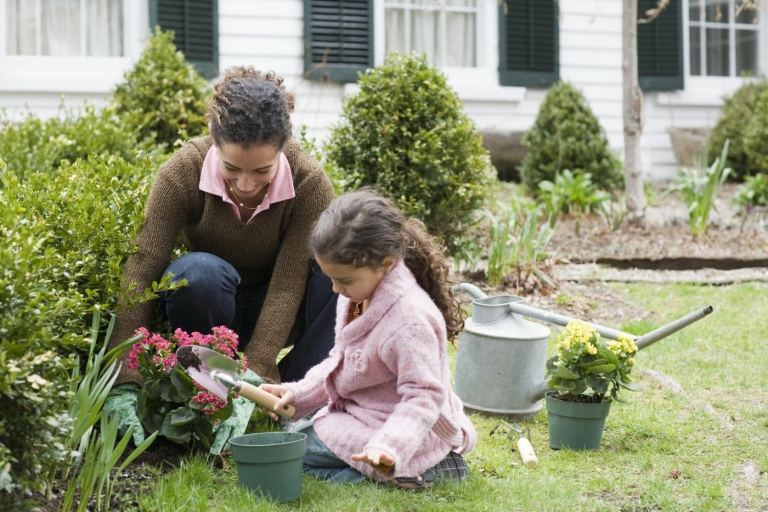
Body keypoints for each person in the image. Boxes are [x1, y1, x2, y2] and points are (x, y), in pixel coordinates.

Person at [106, 67, 337, 447]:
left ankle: (292, 393)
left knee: (338, 282)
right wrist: (124, 373)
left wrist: (258, 370)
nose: (245, 185)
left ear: (283, 147)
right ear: (214, 142)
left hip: (276, 305)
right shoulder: (181, 171)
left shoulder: (309, 182)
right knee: (196, 273)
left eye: (262, 171)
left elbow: (287, 283)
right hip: (209, 305)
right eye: (232, 168)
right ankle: (206, 380)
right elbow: (143, 265)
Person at [261, 190, 477, 489]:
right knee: (295, 442)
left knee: (294, 451)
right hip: (364, 415)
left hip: (405, 432)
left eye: (344, 280)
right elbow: (341, 359)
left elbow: (424, 396)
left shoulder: (410, 321)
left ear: (386, 263)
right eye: (331, 279)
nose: (335, 289)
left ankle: (424, 468)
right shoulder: (359, 294)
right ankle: (382, 473)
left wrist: (391, 446)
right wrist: (298, 395)